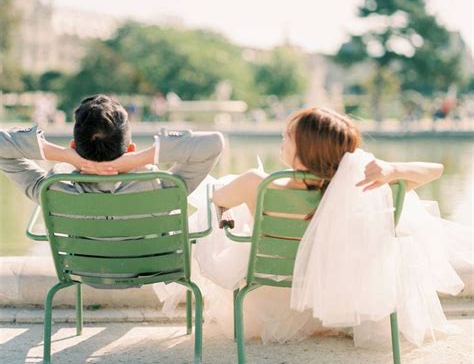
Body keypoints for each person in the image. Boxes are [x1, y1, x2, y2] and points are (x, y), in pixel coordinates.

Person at [150, 107, 471, 347]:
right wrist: (391, 169)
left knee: (216, 209)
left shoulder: (257, 184)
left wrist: (232, 211)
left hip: (266, 298)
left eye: (287, 136)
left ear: (305, 148)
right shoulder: (357, 190)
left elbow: (216, 198)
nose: (281, 138)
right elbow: (436, 170)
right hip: (336, 296)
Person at [0, 94, 224, 203]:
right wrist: (136, 160)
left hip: (82, 270)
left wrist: (66, 156)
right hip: (151, 268)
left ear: (73, 146)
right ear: (131, 148)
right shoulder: (161, 189)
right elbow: (214, 143)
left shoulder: (51, 190)